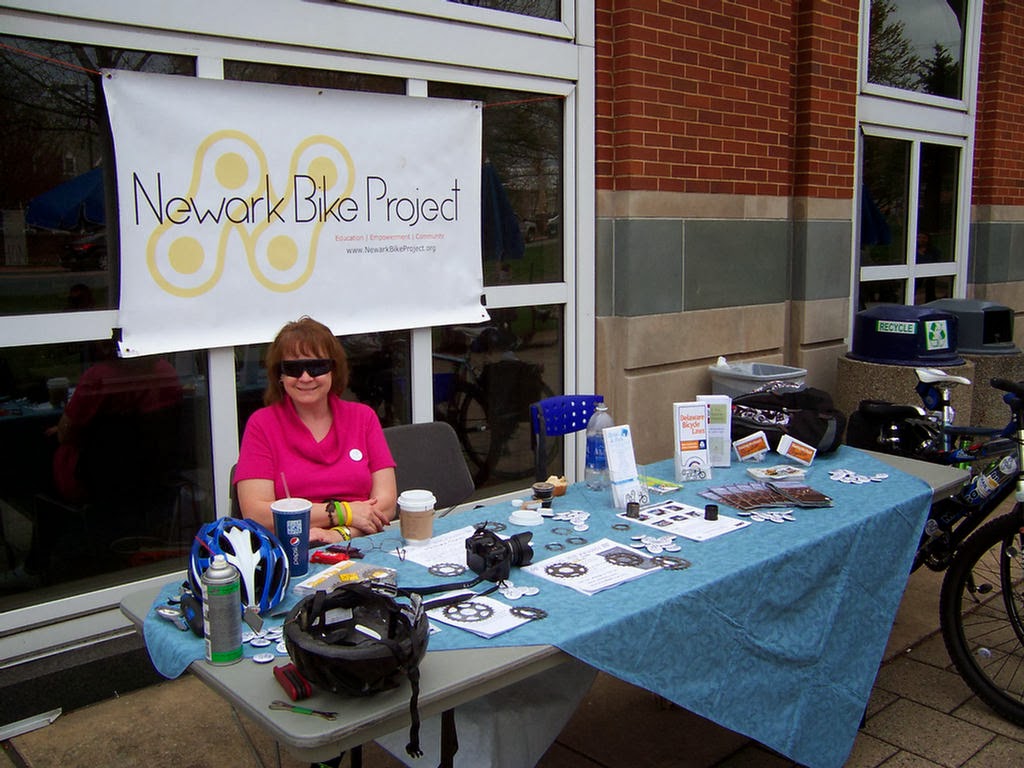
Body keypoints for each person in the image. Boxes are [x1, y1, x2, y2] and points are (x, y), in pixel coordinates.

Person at [234, 316, 396, 544]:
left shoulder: (363, 418)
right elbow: (257, 514)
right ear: (280, 375)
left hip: (360, 542)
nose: (305, 377)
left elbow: (386, 505)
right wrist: (344, 512)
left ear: (333, 370)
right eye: (293, 369)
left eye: (316, 367)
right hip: (292, 549)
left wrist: (336, 534)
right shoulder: (262, 425)